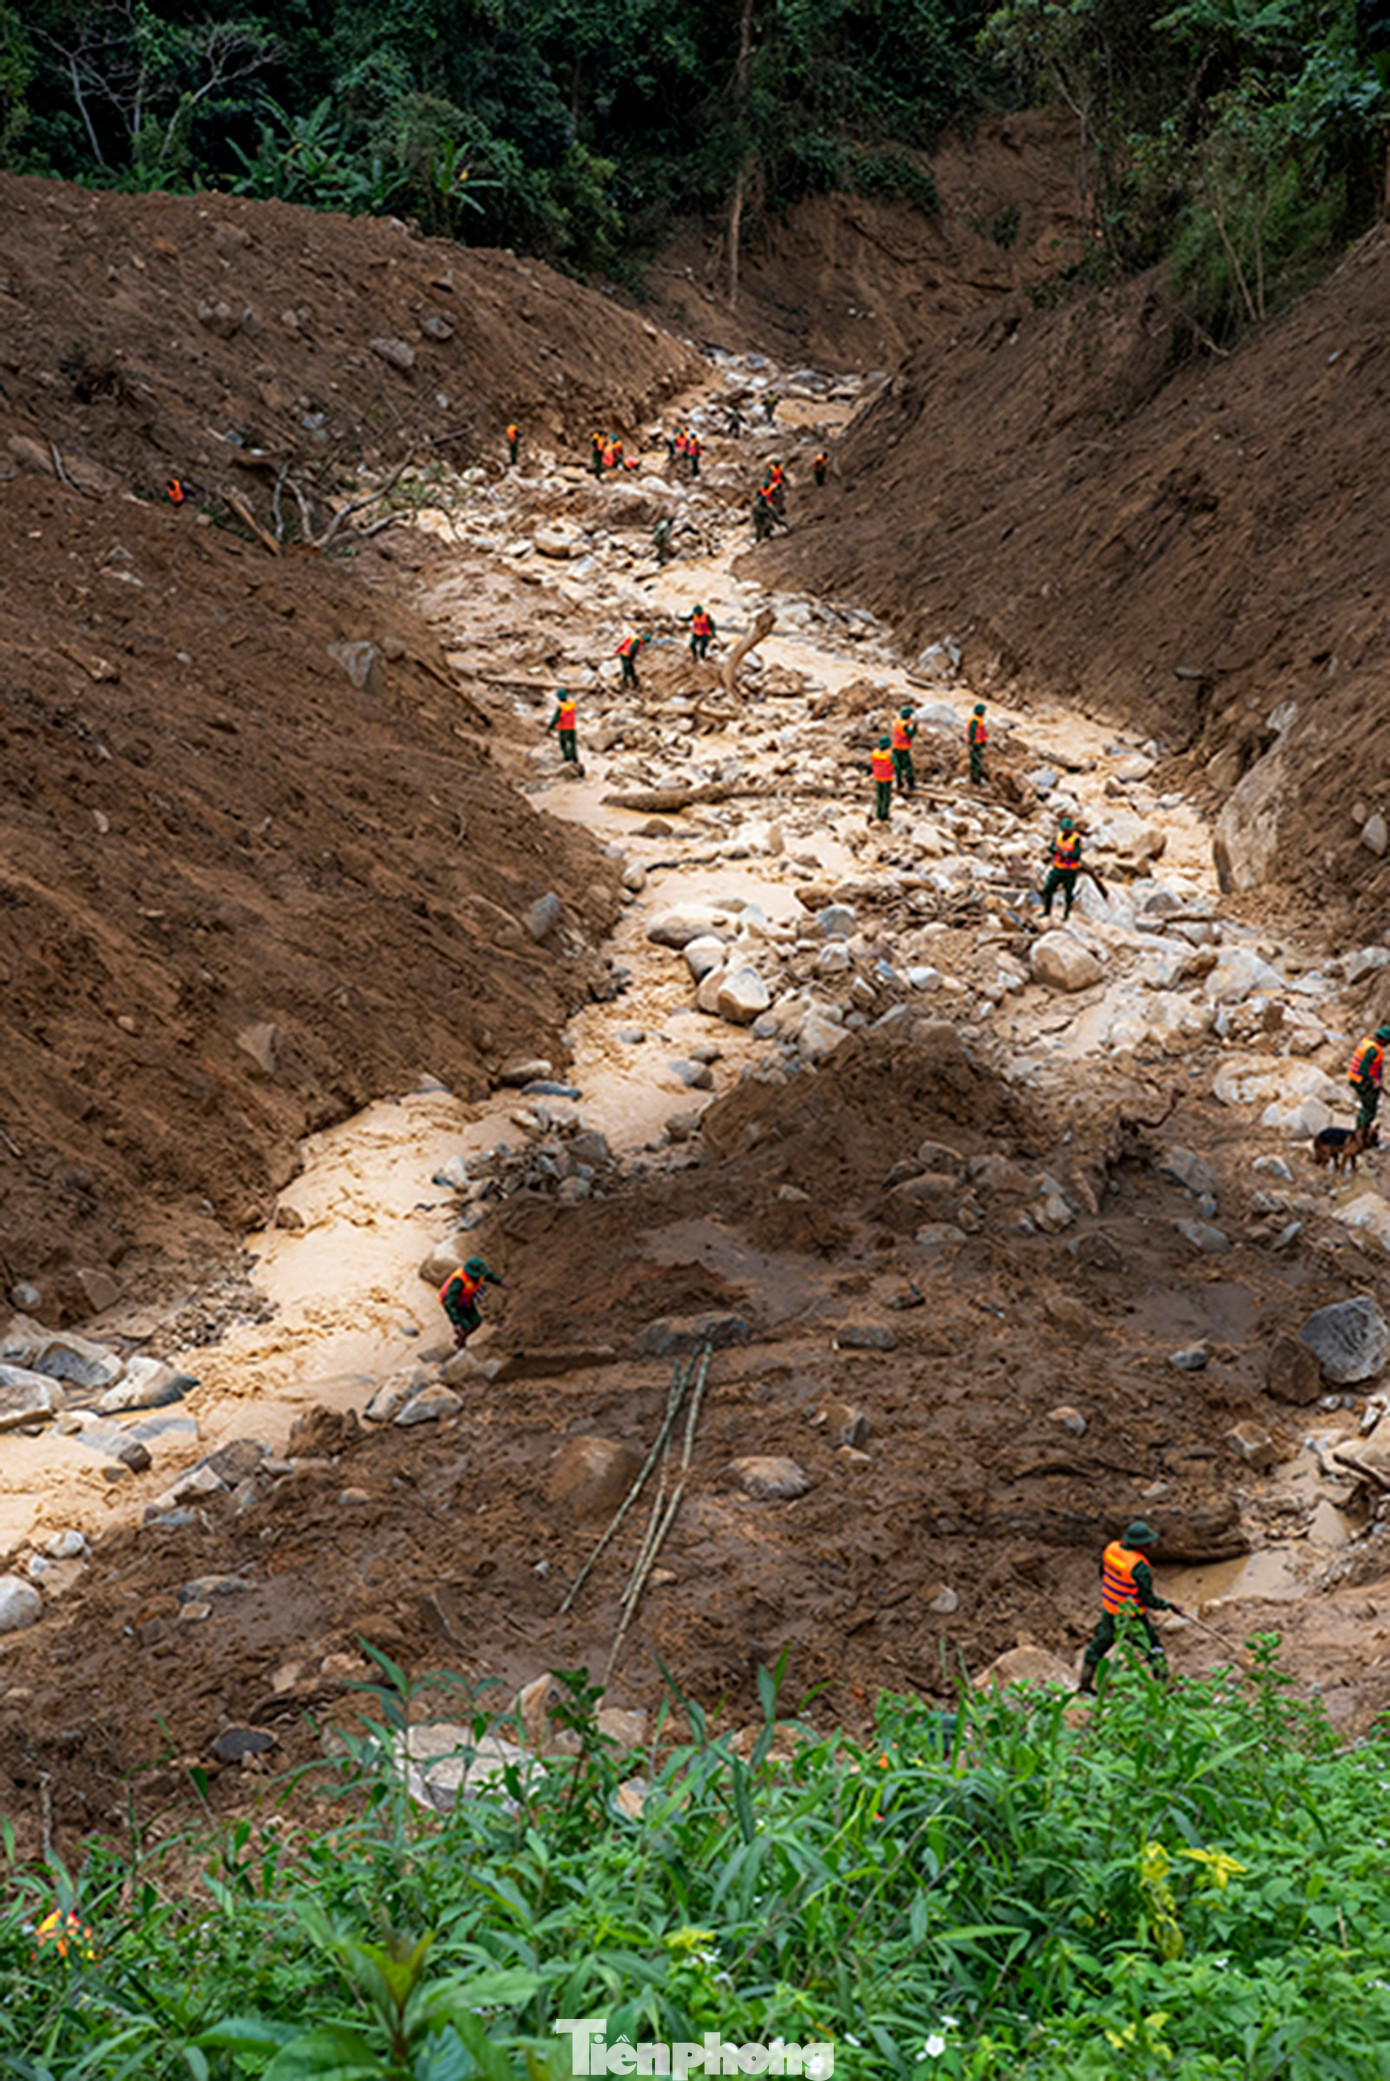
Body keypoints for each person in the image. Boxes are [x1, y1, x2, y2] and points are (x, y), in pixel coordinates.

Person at [1079, 1521, 1184, 1693]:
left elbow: (1102, 1573)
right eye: (1147, 1542)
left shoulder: (1111, 1549)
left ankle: (1084, 1685)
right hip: (1133, 1618)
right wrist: (1169, 1606)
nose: (1151, 1544)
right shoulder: (1139, 1566)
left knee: (1096, 1648)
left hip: (1110, 1611)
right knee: (1154, 1650)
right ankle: (1167, 1688)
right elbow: (1148, 1599)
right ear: (1140, 1544)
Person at [439, 1256, 505, 1350]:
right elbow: (451, 1303)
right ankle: (461, 1344)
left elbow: (489, 1276)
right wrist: (455, 1322)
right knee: (464, 1326)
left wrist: (500, 1282)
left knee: (476, 1321)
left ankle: (460, 1340)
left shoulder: (480, 1275)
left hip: (466, 1299)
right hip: (451, 1302)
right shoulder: (459, 1282)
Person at [1349, 1027, 1390, 1131]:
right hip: (1363, 1083)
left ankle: (1360, 1132)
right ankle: (1360, 1134)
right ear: (1383, 1039)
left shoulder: (1367, 1041)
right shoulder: (1373, 1051)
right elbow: (1363, 1069)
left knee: (1365, 1109)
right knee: (1369, 1110)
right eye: (1388, 1041)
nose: (1388, 1044)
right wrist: (1374, 1081)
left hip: (1356, 1080)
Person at [1042, 816, 1083, 919]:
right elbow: (1051, 848)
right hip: (1057, 868)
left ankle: (1066, 914)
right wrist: (1054, 850)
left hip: (1070, 870)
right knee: (1048, 888)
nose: (1066, 831)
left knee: (1068, 892)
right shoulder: (1058, 837)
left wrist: (1066, 854)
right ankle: (1047, 911)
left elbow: (1077, 854)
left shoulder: (1076, 839)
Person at [547, 688, 578, 764]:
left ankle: (567, 757)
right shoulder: (571, 705)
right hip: (572, 728)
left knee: (563, 743)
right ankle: (575, 759)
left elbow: (556, 718)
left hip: (564, 729)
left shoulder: (561, 707)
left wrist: (550, 726)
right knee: (572, 744)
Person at [891, 706, 917, 796]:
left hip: (896, 747)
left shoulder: (897, 721)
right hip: (903, 749)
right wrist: (915, 727)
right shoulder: (904, 725)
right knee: (908, 766)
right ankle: (911, 784)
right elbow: (910, 735)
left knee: (898, 767)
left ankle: (899, 783)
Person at [871, 736, 894, 822]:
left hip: (877, 777)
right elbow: (896, 765)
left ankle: (878, 814)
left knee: (879, 796)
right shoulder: (889, 754)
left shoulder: (875, 753)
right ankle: (884, 815)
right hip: (887, 778)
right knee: (886, 797)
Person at [967, 703, 988, 785]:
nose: (984, 713)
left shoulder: (977, 719)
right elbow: (972, 733)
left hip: (977, 745)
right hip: (975, 745)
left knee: (975, 762)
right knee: (977, 763)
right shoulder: (975, 720)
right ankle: (976, 781)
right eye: (983, 711)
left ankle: (974, 779)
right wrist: (971, 744)